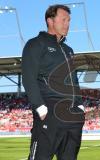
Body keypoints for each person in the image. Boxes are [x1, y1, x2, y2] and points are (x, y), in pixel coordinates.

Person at [22, 4, 85, 160]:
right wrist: (39, 107)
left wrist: (79, 104)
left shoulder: (68, 50)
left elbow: (74, 79)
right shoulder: (35, 44)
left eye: (69, 20)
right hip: (50, 114)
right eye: (63, 19)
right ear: (50, 20)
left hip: (72, 116)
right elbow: (28, 77)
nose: (67, 24)